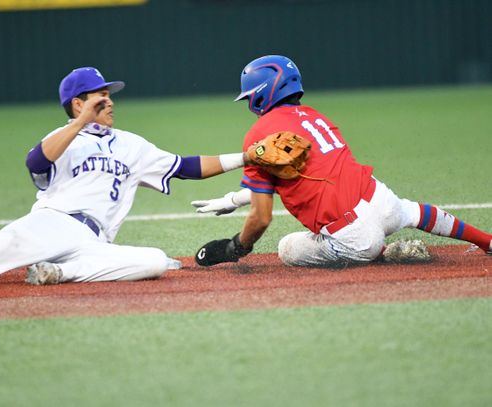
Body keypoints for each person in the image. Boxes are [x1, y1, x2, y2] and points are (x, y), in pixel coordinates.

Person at [0, 67, 250, 285]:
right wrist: (80, 123)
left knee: (154, 261)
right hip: (53, 223)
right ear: (78, 104)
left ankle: (57, 272)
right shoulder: (63, 138)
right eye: (101, 96)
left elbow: (186, 167)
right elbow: (36, 162)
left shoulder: (131, 144)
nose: (110, 102)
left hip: (93, 242)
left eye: (109, 96)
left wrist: (246, 157)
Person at [192, 55, 492, 267]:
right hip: (380, 200)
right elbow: (297, 174)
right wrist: (234, 198)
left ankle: (383, 253)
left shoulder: (260, 132)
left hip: (353, 237)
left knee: (288, 249)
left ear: (261, 93)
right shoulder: (314, 116)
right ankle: (487, 240)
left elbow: (262, 217)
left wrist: (235, 248)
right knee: (413, 212)